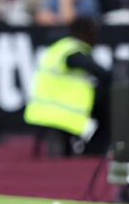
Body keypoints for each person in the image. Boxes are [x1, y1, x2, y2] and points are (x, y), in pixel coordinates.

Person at [25, 17, 110, 156]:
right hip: (61, 111)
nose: (96, 38)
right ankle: (93, 150)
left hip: (42, 109)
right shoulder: (73, 52)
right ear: (84, 33)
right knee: (108, 105)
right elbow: (102, 73)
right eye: (93, 33)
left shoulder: (58, 48)